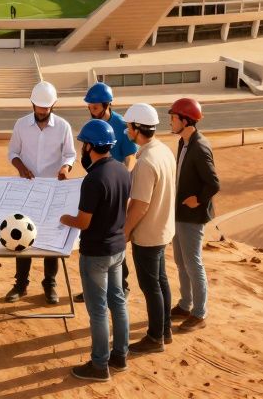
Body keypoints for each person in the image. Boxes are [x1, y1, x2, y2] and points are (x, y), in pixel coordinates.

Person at [61, 119, 131, 381]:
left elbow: (83, 222)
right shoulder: (123, 170)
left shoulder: (93, 179)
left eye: (83, 145)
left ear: (90, 146)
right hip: (117, 248)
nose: (82, 150)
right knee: (118, 301)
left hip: (96, 254)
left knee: (98, 309)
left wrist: (64, 218)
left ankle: (99, 365)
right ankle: (120, 356)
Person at [6, 80, 75, 304]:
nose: (42, 111)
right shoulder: (20, 125)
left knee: (49, 238)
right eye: (39, 107)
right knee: (22, 234)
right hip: (27, 189)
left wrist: (65, 168)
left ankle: (50, 284)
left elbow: (70, 154)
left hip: (53, 190)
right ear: (32, 104)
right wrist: (21, 167)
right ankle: (21, 284)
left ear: (53, 105)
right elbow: (13, 152)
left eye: (46, 107)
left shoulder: (63, 127)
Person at [74, 82, 137, 303]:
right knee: (99, 235)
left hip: (117, 186)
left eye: (95, 106)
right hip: (99, 184)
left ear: (107, 104)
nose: (92, 109)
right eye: (89, 106)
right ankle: (94, 287)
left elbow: (130, 156)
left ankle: (123, 285)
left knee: (114, 236)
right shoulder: (93, 124)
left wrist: (124, 181)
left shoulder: (120, 125)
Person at [121, 103, 176, 353]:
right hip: (163, 230)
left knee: (150, 286)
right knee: (161, 281)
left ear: (136, 128)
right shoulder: (163, 150)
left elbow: (140, 206)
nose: (126, 130)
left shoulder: (145, 162)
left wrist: (125, 233)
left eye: (128, 126)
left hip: (148, 235)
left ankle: (155, 338)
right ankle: (165, 331)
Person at [168, 98, 220, 333]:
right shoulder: (184, 141)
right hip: (179, 213)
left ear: (185, 120)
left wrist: (197, 199)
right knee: (181, 262)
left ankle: (199, 313)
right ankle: (186, 304)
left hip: (192, 216)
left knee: (193, 263)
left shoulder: (199, 147)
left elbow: (213, 184)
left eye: (173, 118)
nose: (171, 122)